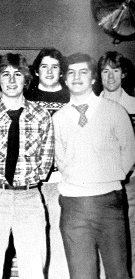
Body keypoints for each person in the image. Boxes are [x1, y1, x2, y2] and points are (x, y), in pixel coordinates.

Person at [54, 53, 135, 279]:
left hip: (109, 202)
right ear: (64, 79)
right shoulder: (58, 118)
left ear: (93, 79)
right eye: (71, 73)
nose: (77, 77)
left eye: (83, 72)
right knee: (81, 275)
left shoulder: (116, 111)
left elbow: (129, 153)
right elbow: (60, 159)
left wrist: (108, 177)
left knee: (118, 273)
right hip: (74, 206)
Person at [0, 53, 54, 279]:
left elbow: (45, 163)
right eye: (6, 74)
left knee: (33, 269)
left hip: (29, 199)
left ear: (26, 80)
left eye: (17, 74)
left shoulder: (42, 116)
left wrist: (23, 182)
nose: (11, 80)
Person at [25, 47, 70, 279]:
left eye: (55, 66)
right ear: (35, 71)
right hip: (32, 182)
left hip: (65, 182)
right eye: (44, 66)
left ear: (61, 71)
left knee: (61, 238)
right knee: (33, 239)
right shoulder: (26, 98)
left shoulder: (73, 98)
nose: (50, 71)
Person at [98, 51, 135, 278]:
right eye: (105, 71)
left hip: (130, 187)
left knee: (130, 241)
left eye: (115, 70)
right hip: (99, 188)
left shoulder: (134, 105)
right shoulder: (91, 107)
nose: (110, 76)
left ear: (124, 74)